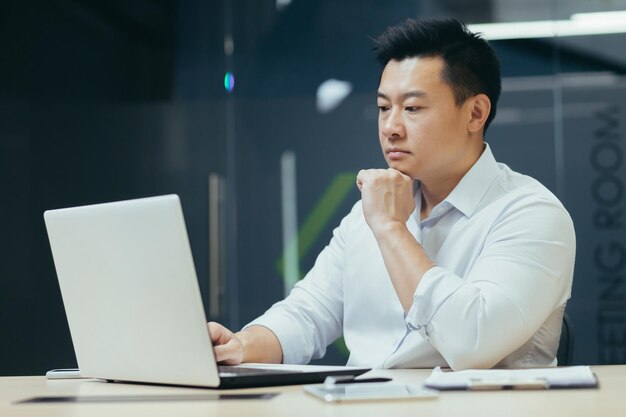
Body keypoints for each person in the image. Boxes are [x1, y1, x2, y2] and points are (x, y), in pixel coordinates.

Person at [208, 18, 576, 370]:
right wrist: (241, 345)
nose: (390, 127)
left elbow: (472, 343)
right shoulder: (370, 211)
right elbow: (309, 313)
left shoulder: (531, 213)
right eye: (384, 107)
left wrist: (390, 229)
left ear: (476, 113)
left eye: (412, 108)